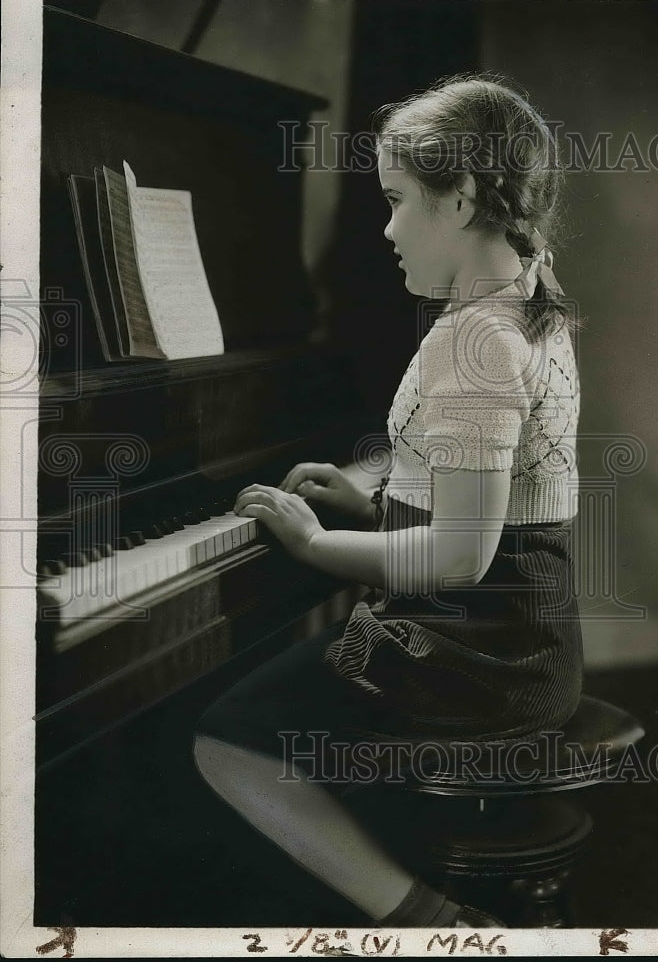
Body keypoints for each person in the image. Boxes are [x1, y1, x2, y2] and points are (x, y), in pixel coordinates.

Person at [193, 74, 583, 929]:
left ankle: (426, 921)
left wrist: (312, 545)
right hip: (527, 641)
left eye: (398, 200)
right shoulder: (526, 295)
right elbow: (489, 506)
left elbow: (457, 558)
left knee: (226, 738)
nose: (385, 228)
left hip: (477, 658)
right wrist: (375, 511)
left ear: (464, 197)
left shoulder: (473, 337)